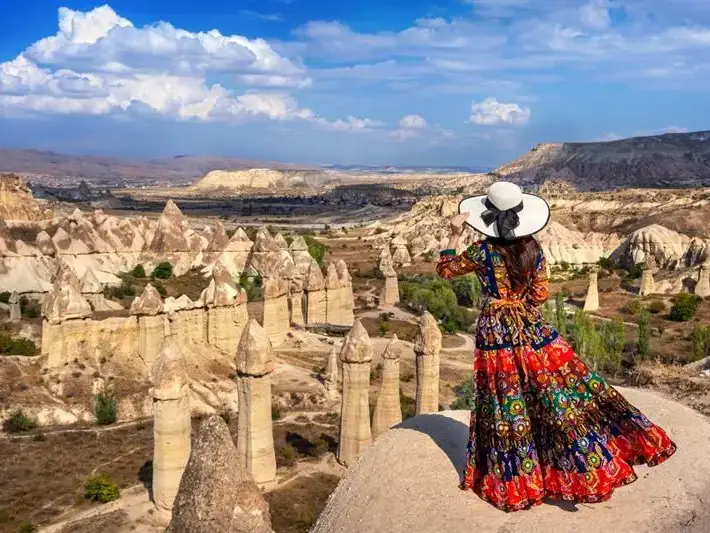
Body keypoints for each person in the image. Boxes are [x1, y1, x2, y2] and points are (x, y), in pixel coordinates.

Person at [437, 181, 676, 512]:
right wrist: (520, 302)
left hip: (495, 329)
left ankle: (519, 477)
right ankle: (588, 457)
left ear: (488, 218)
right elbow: (540, 295)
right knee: (556, 388)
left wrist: (452, 236)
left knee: (506, 397)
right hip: (531, 325)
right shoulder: (533, 249)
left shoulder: (482, 252)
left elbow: (446, 270)